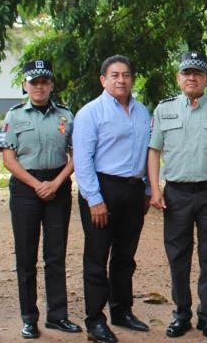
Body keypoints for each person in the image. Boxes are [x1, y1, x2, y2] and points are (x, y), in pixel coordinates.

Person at [147, 51, 207, 339]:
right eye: (187, 73)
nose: (192, 77)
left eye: (198, 73)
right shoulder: (164, 109)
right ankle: (181, 314)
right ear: (179, 77)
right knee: (178, 257)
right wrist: (154, 187)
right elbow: (154, 150)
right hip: (176, 194)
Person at [0, 60, 82, 339]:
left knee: (55, 255)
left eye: (44, 81)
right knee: (26, 256)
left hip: (57, 186)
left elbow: (76, 155)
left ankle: (58, 316)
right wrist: (37, 185)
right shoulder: (15, 116)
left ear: (51, 85)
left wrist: (56, 183)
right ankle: (29, 318)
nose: (39, 86)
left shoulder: (67, 116)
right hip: (25, 188)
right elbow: (9, 159)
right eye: (34, 82)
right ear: (25, 85)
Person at [72, 55, 152, 343]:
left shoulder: (143, 111)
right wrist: (94, 199)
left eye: (126, 75)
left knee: (125, 256)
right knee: (97, 257)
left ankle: (122, 310)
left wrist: (146, 189)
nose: (121, 80)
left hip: (133, 191)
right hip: (102, 189)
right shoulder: (89, 113)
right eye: (115, 75)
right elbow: (82, 160)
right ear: (103, 79)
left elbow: (146, 153)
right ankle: (95, 320)